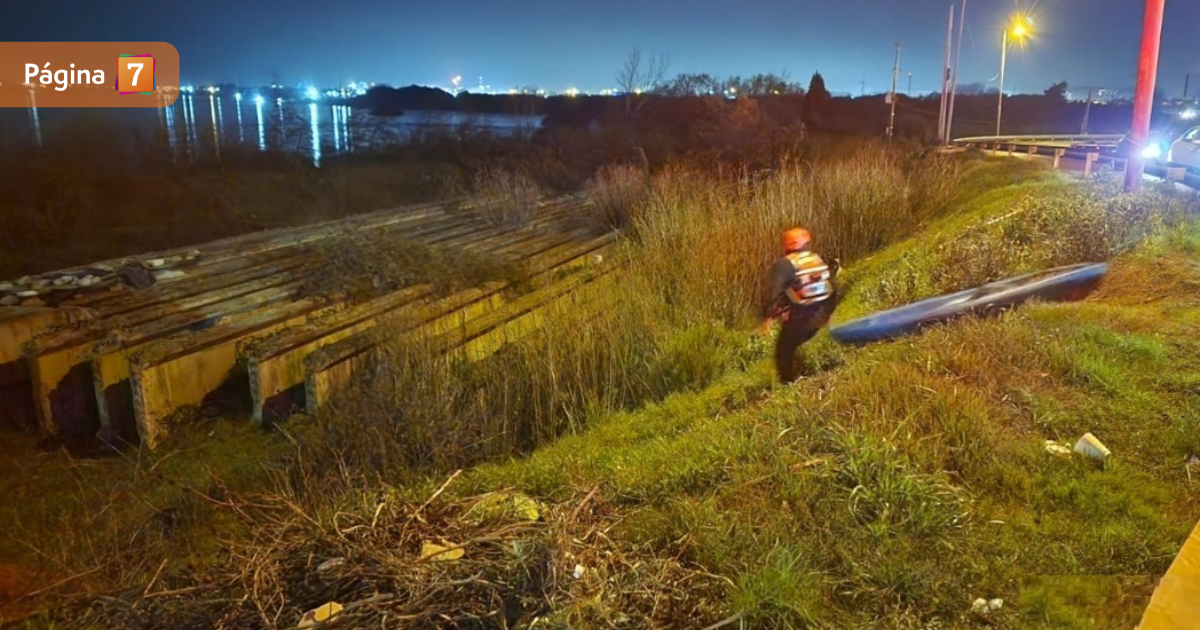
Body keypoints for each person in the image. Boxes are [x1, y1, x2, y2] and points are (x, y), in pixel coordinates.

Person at [760, 227, 839, 384]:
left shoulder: (785, 264)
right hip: (824, 312)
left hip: (803, 316)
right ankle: (817, 365)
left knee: (783, 351)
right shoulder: (818, 258)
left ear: (787, 245)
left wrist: (768, 316)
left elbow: (774, 292)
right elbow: (832, 282)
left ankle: (788, 385)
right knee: (801, 343)